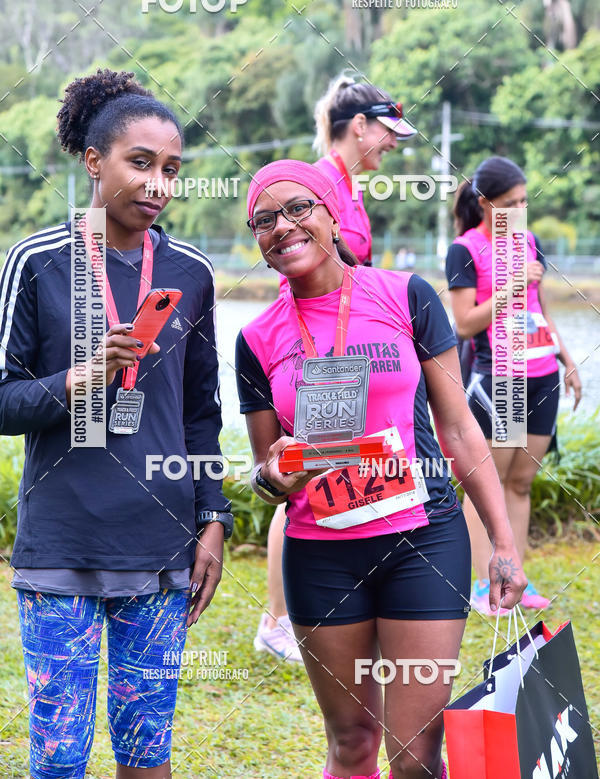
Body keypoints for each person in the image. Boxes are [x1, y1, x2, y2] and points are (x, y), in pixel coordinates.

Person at [236, 158, 525, 779]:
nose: (281, 227)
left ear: (331, 213)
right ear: (257, 243)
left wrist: (503, 543)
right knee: (353, 742)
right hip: (322, 554)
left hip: (424, 540)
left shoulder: (407, 296)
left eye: (297, 208)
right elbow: (265, 467)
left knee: (417, 751)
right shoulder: (257, 338)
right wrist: (273, 478)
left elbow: (457, 428)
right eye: (263, 220)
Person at [1, 68, 233, 779]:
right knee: (59, 754)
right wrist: (82, 377)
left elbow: (201, 412)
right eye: (141, 163)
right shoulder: (38, 261)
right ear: (94, 162)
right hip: (61, 548)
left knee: (146, 752)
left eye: (171, 169)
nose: (158, 184)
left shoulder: (190, 272)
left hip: (160, 550)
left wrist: (213, 518)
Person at [255, 76, 418, 662]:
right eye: (387, 132)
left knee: (335, 469)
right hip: (316, 356)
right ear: (359, 128)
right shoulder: (321, 185)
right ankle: (277, 617)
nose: (393, 145)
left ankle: (320, 605)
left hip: (356, 357)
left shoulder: (352, 188)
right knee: (300, 470)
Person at [445, 156, 581, 616]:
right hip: (499, 377)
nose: (519, 211)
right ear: (484, 203)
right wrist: (512, 283)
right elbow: (464, 324)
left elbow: (540, 308)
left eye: (524, 201)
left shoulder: (530, 241)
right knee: (489, 484)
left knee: (521, 483)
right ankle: (484, 585)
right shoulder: (464, 250)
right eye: (509, 203)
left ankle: (515, 578)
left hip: (542, 373)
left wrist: (565, 356)